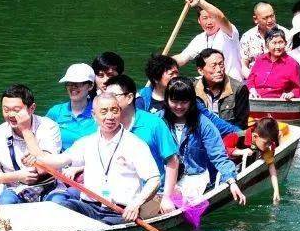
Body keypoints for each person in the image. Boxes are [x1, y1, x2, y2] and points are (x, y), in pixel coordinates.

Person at [33, 93, 160, 225]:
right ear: (94, 115)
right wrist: (37, 159)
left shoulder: (135, 144)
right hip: (89, 207)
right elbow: (62, 159)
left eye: (114, 111)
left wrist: (135, 204)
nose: (109, 117)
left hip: (120, 212)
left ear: (120, 112)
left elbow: (154, 179)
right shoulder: (87, 142)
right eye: (104, 112)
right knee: (61, 208)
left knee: (106, 227)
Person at [159, 78, 245, 211]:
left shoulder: (203, 124)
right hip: (163, 176)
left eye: (184, 102)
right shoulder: (158, 121)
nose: (179, 106)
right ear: (166, 100)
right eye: (174, 101)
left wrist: (232, 181)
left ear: (192, 102)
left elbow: (218, 156)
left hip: (193, 177)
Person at [0, 84, 63, 205]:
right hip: (15, 188)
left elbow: (44, 169)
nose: (11, 115)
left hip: (49, 185)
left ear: (31, 108)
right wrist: (18, 176)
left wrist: (26, 130)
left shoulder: (49, 127)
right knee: (6, 202)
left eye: (16, 110)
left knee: (58, 202)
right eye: (6, 110)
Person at [102, 74, 180, 194]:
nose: (108, 101)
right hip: (113, 191)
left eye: (113, 96)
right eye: (106, 96)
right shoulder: (104, 123)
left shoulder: (153, 124)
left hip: (150, 192)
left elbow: (172, 161)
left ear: (129, 98)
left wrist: (167, 197)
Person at [173, 0, 243, 82]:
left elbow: (220, 17)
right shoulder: (199, 39)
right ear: (199, 20)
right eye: (205, 18)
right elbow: (182, 58)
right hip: (210, 84)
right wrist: (163, 63)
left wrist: (199, 2)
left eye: (212, 17)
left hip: (231, 84)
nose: (209, 22)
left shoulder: (229, 32)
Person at [194, 48, 250, 129]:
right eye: (213, 66)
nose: (219, 70)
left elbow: (241, 125)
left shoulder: (238, 89)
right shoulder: (192, 89)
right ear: (200, 70)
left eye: (221, 65)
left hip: (228, 136)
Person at [45, 63, 97, 150]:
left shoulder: (100, 112)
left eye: (78, 83)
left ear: (91, 86)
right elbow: (42, 136)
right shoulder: (55, 112)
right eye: (69, 83)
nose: (73, 87)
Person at [247, 27, 300, 100]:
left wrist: (290, 94)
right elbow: (250, 80)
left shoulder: (292, 64)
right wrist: (252, 91)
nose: (278, 46)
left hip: (278, 102)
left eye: (281, 42)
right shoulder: (260, 60)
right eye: (274, 43)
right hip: (256, 100)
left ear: (285, 43)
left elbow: (298, 90)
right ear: (267, 45)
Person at [239, 2, 289, 77]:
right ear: (255, 19)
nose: (270, 20)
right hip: (254, 79)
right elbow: (243, 63)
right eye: (265, 18)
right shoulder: (247, 37)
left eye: (272, 16)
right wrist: (252, 80)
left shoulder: (286, 34)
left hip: (281, 78)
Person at [247, 116, 282, 204]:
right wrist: (238, 151)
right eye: (266, 143)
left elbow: (272, 167)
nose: (268, 146)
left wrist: (276, 191)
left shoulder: (266, 149)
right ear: (255, 136)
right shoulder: (239, 136)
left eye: (270, 143)